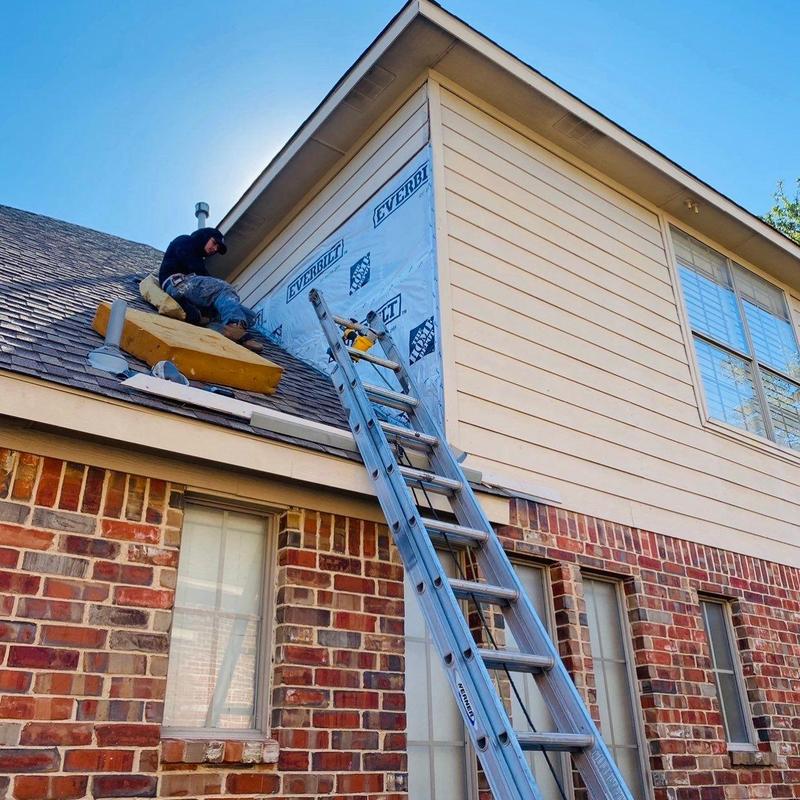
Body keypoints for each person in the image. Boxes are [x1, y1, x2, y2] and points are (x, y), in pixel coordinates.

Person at [159, 227, 261, 350]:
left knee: (250, 316)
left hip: (190, 291)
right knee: (223, 288)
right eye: (214, 243)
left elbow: (202, 279)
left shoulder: (198, 258)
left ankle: (218, 327)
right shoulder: (185, 241)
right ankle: (235, 325)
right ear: (205, 236)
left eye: (217, 248)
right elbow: (195, 268)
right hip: (178, 284)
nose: (215, 249)